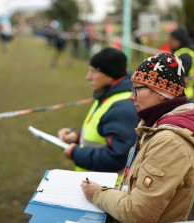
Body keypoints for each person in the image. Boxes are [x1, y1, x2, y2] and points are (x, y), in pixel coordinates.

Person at [81, 52, 194, 223]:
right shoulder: (156, 128)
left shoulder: (170, 142)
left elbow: (138, 214)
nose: (130, 96)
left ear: (161, 92)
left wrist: (98, 194)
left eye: (136, 88)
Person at [58, 47, 139, 183]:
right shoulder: (108, 94)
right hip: (95, 185)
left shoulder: (122, 106)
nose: (88, 77)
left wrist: (76, 153)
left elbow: (117, 157)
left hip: (108, 190)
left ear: (109, 75)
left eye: (93, 72)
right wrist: (77, 137)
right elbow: (102, 132)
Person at [169, 27, 194, 99]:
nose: (169, 42)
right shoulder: (180, 52)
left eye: (172, 40)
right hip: (180, 94)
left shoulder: (185, 55)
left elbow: (179, 76)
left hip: (185, 95)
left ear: (179, 41)